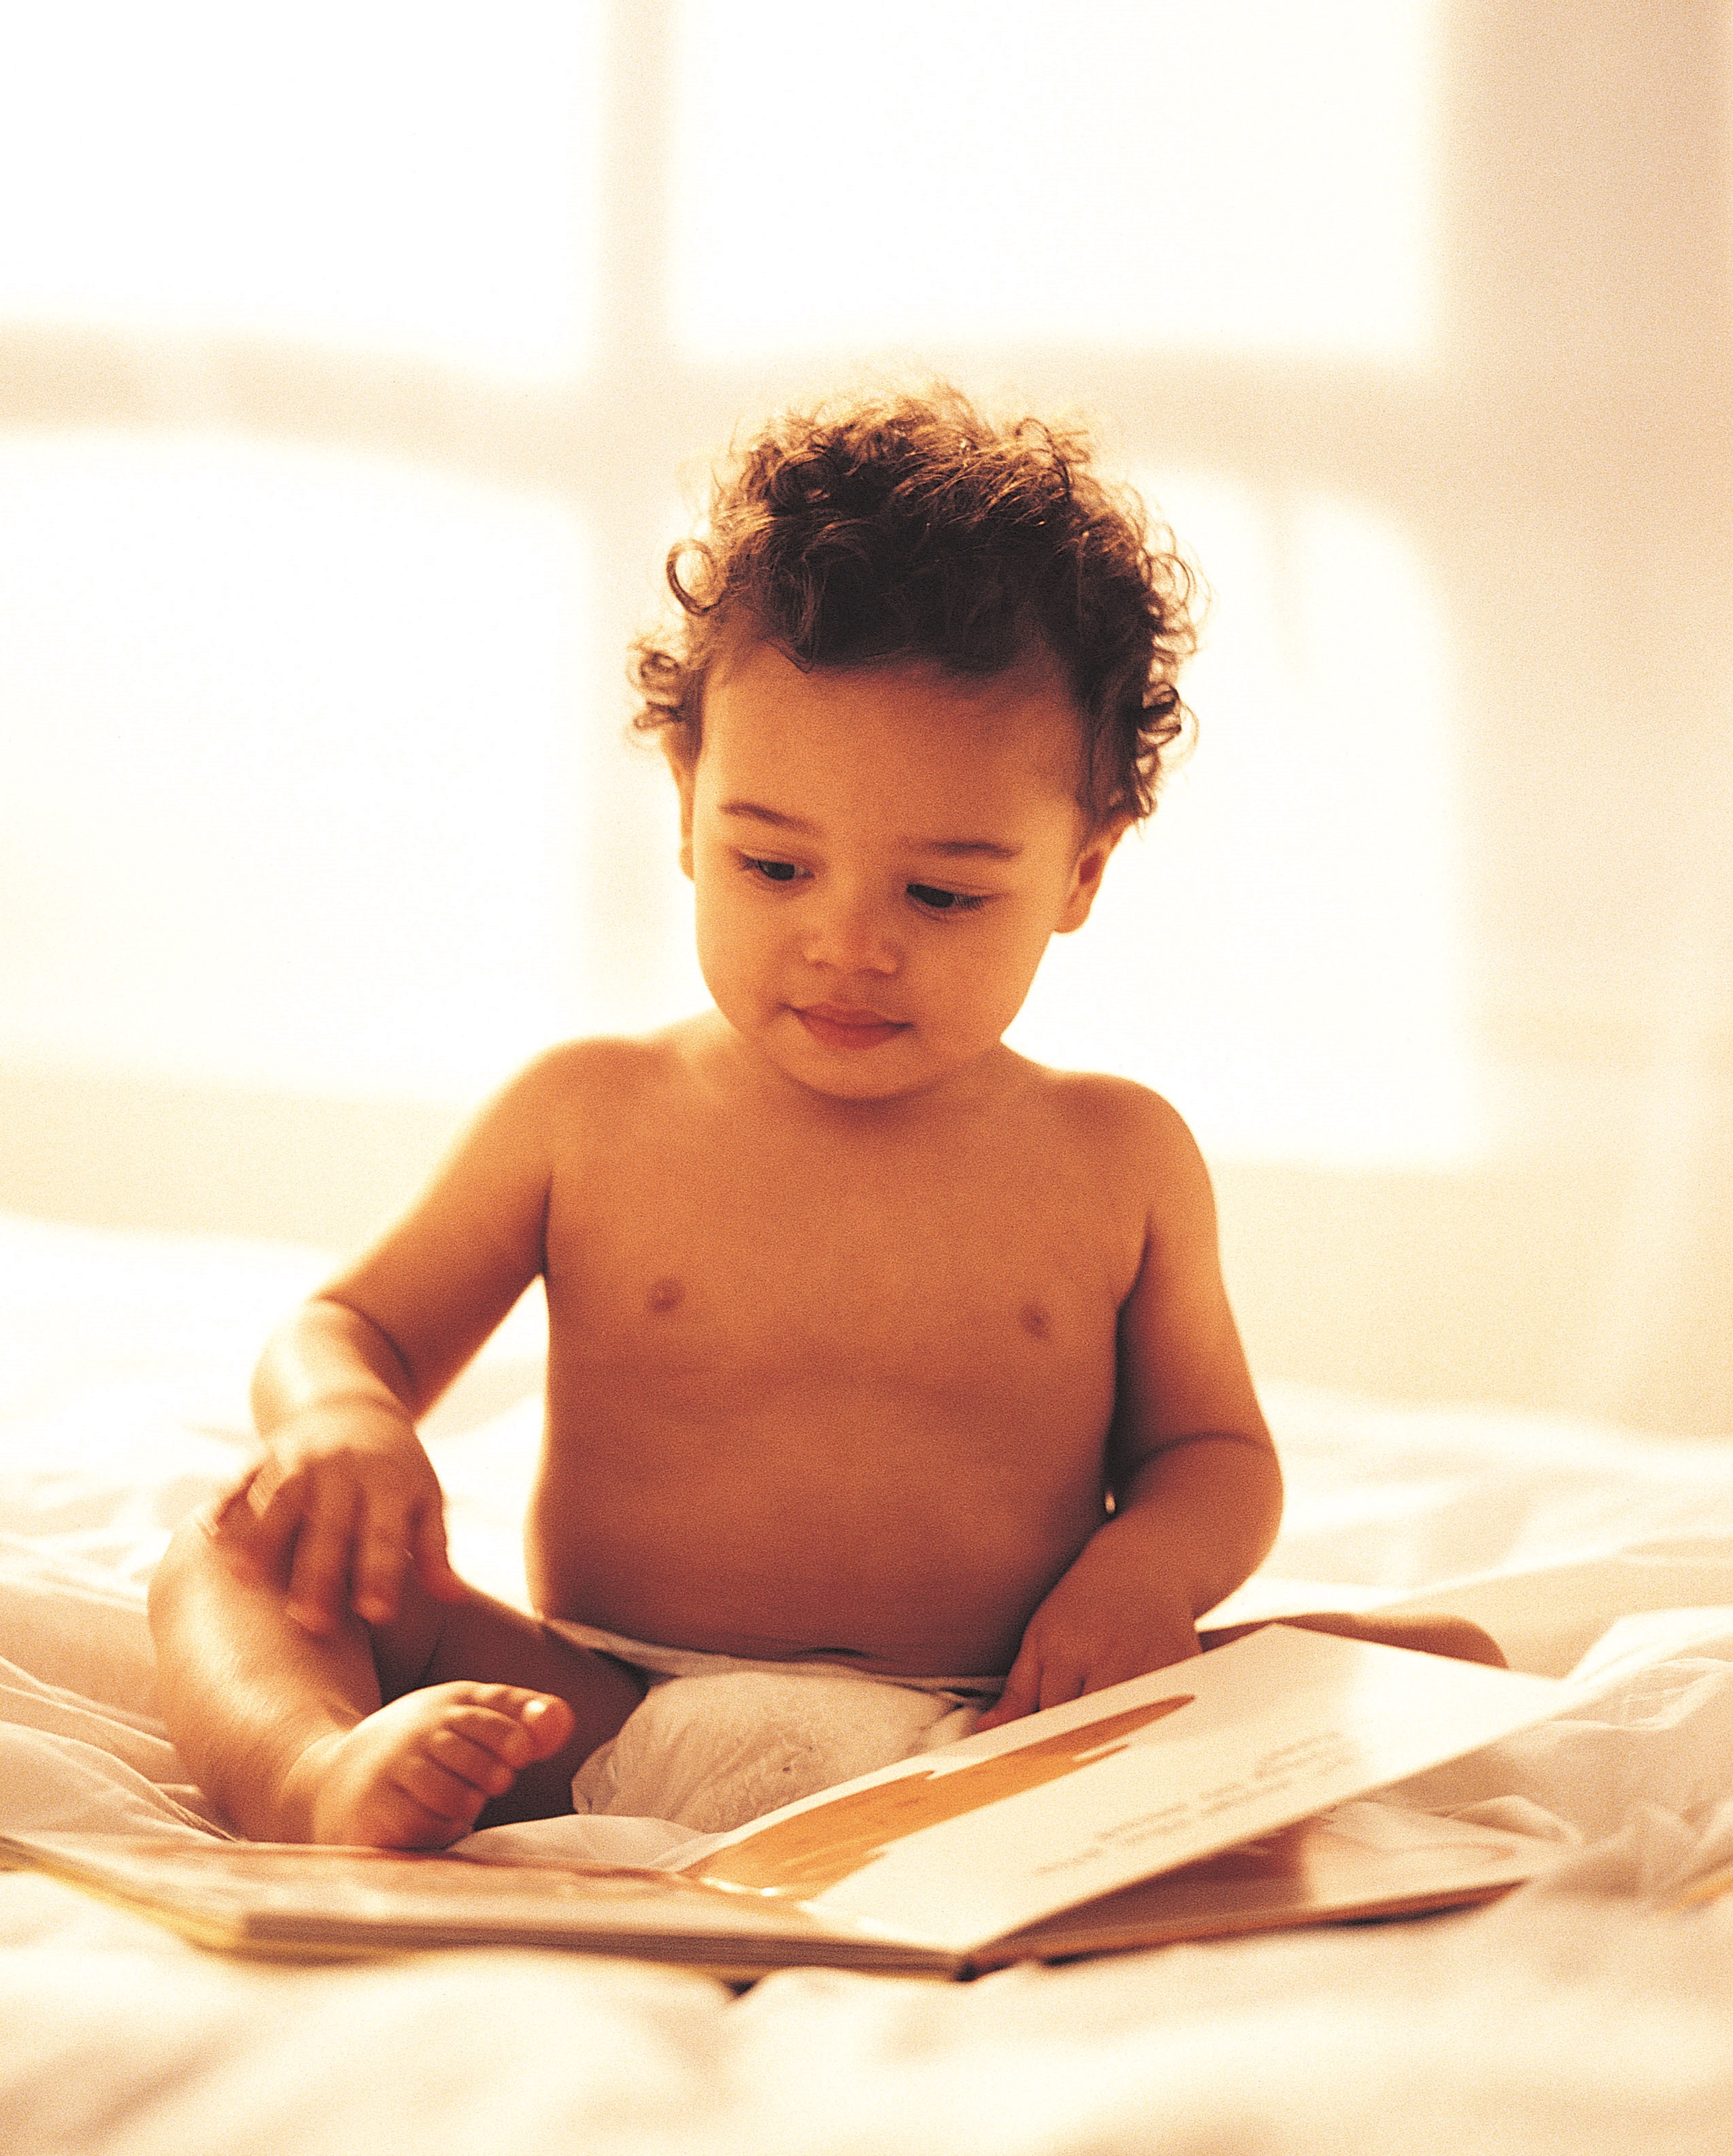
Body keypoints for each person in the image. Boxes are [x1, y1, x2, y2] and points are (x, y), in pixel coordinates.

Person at [148, 386, 1500, 1851]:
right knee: (220, 1566)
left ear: (1080, 870)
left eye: (941, 893)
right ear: (685, 808)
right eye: (773, 866)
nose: (847, 944)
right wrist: (344, 1418)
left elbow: (1212, 1456)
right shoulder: (586, 1113)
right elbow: (351, 1326)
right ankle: (309, 1779)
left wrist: (1141, 1580)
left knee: (1441, 1666)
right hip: (590, 1710)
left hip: (1005, 1724)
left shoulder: (1116, 1158)